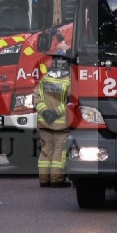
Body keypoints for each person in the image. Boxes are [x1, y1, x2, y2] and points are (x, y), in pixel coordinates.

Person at [34, 52, 72, 187]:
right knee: (59, 152)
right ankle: (56, 179)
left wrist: (44, 112)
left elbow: (36, 98)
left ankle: (43, 180)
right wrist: (56, 113)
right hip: (61, 124)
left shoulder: (44, 80)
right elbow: (69, 102)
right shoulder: (68, 81)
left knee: (45, 151)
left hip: (44, 123)